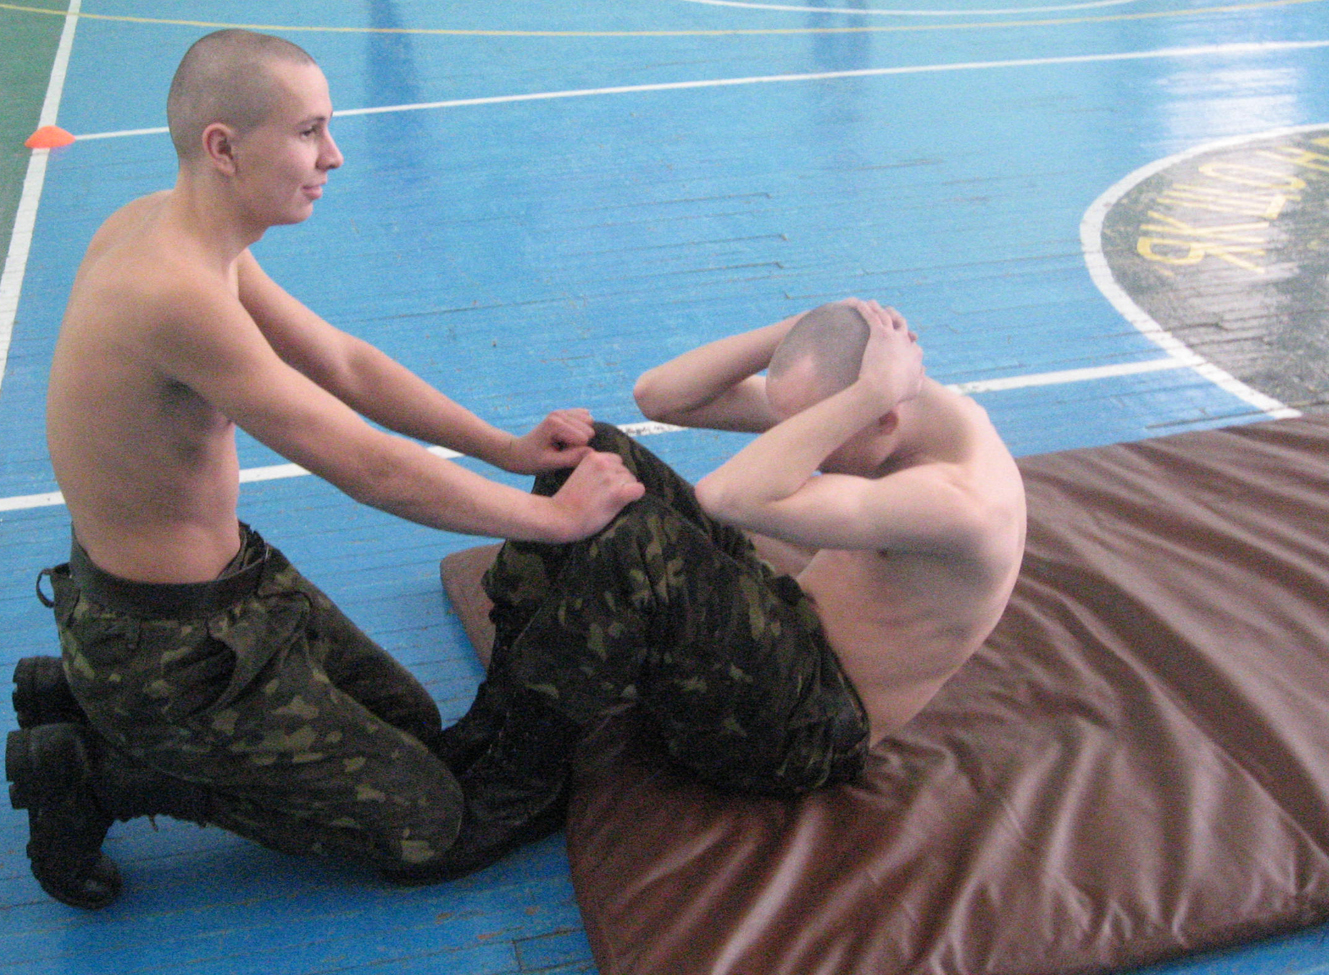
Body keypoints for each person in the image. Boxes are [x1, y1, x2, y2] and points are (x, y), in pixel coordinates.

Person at [3, 28, 644, 909]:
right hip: (165, 649)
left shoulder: (176, 228)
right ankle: (101, 770)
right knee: (429, 825)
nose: (333, 156)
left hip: (227, 590)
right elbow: (367, 467)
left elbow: (343, 364)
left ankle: (79, 693)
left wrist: (504, 448)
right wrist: (554, 520)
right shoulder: (172, 294)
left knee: (413, 723)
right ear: (223, 147)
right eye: (309, 132)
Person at [389, 298, 1028, 885]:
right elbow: (659, 396)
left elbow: (726, 498)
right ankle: (500, 712)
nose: (816, 456)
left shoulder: (959, 502)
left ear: (881, 413)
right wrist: (798, 330)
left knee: (643, 548)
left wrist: (862, 396)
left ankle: (522, 787)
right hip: (781, 625)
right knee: (592, 454)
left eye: (830, 430)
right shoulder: (883, 416)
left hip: (803, 726)